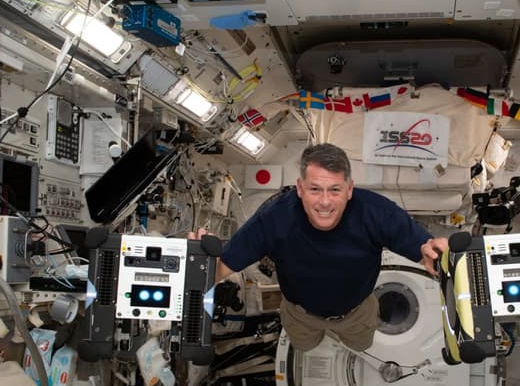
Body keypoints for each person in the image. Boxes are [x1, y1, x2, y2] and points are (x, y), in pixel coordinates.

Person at [191, 143, 448, 352]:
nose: (325, 202)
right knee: (306, 346)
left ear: (349, 189)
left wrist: (437, 254)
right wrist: (196, 262)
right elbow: (220, 269)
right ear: (300, 188)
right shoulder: (274, 219)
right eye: (315, 189)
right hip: (300, 315)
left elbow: (426, 250)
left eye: (335, 190)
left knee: (360, 345)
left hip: (357, 313)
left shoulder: (376, 212)